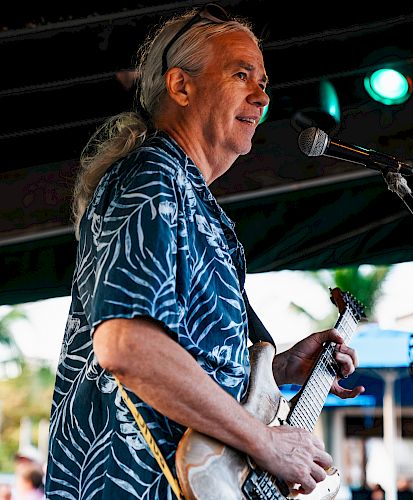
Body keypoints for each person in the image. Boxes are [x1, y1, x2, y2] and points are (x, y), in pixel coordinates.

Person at [45, 3, 364, 498]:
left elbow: (191, 363)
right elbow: (126, 345)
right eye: (242, 75)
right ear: (181, 86)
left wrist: (275, 370)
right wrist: (266, 442)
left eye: (263, 81)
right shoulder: (151, 177)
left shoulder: (197, 203)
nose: (262, 96)